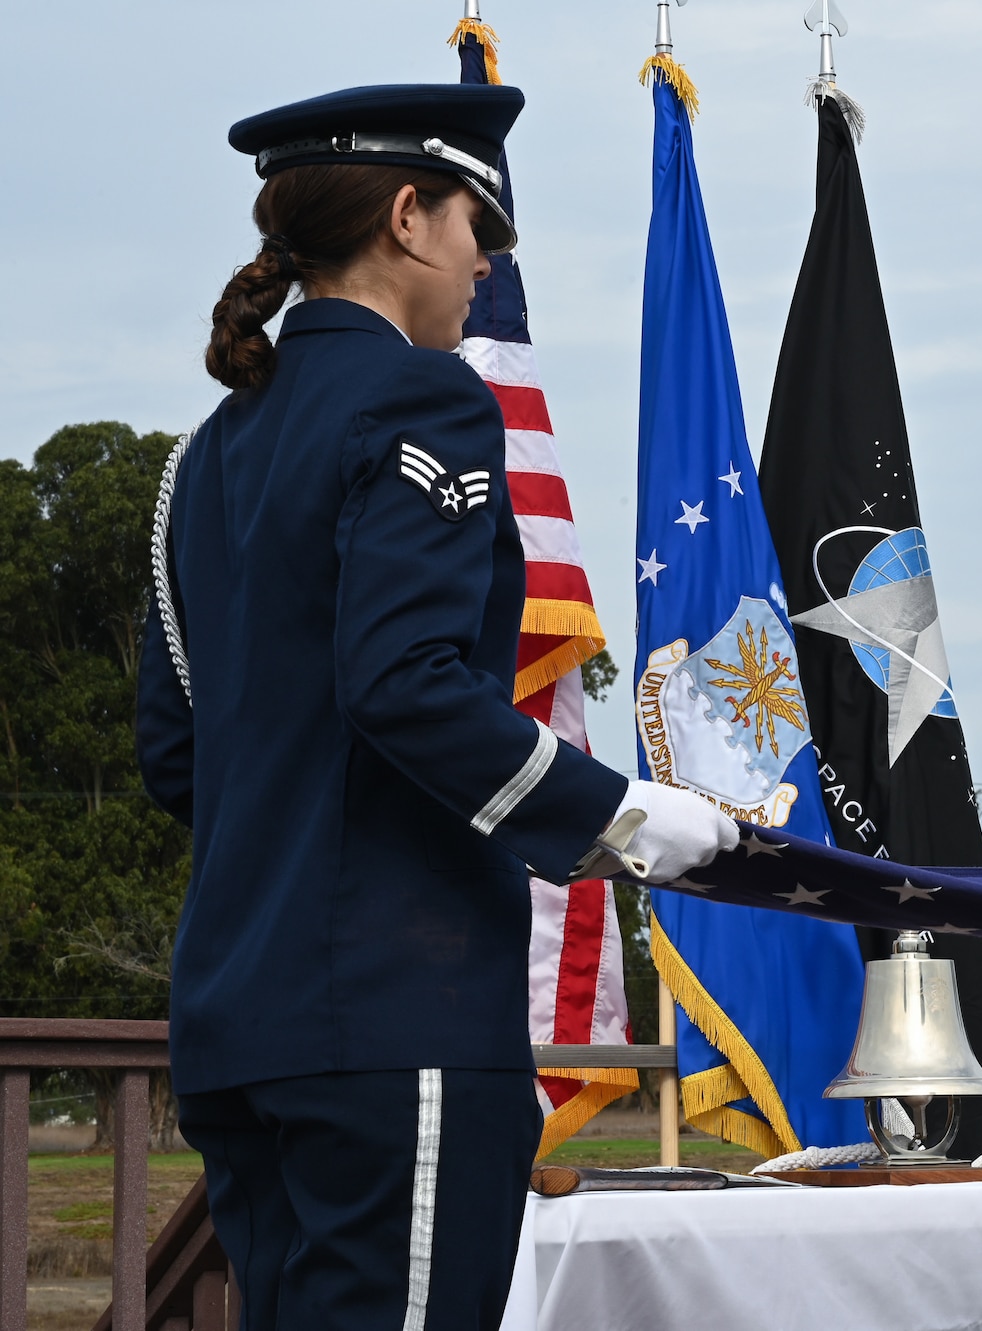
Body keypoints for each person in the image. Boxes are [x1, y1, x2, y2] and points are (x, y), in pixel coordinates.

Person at [135, 84, 738, 1331]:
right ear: (408, 217)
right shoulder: (423, 399)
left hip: (240, 1023)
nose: (483, 267)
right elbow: (403, 681)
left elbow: (178, 752)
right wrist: (623, 817)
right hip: (390, 1018)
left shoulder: (201, 457)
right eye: (479, 229)